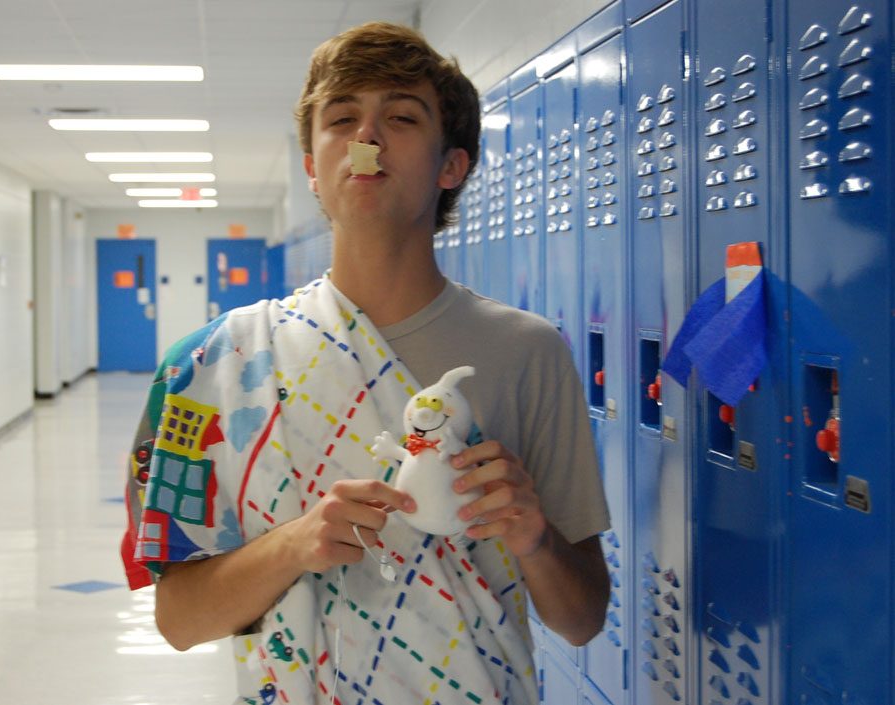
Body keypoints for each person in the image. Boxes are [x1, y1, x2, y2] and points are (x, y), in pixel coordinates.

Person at [121, 21, 611, 705]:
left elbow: (583, 618)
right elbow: (178, 621)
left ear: (452, 166)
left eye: (401, 117)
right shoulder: (215, 362)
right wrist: (296, 543)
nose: (366, 139)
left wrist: (535, 537)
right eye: (342, 118)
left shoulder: (528, 351)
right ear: (312, 167)